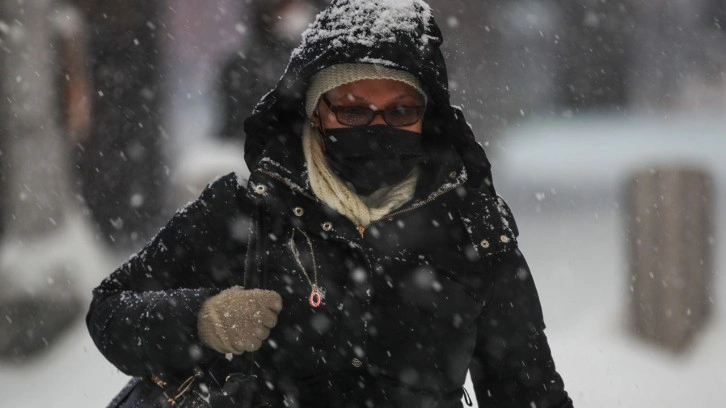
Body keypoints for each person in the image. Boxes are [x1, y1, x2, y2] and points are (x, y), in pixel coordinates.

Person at [87, 0, 573, 407]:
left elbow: (527, 391)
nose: (377, 127)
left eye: (401, 111)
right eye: (353, 109)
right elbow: (110, 312)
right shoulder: (245, 211)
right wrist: (202, 319)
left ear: (430, 117)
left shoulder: (472, 229)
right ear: (314, 113)